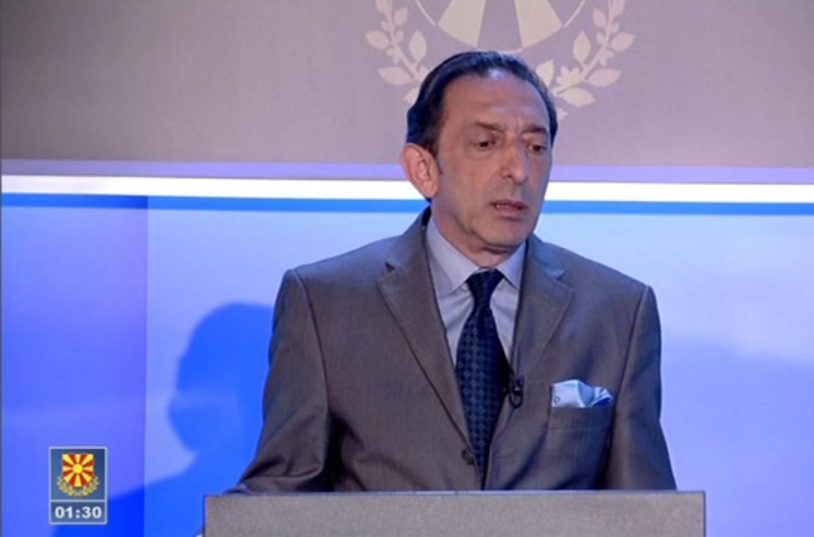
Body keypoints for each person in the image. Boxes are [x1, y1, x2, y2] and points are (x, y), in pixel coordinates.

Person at [234, 50, 676, 492]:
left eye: (536, 147)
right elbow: (281, 495)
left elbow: (645, 509)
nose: (519, 170)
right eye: (486, 143)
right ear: (423, 169)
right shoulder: (326, 303)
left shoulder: (618, 312)